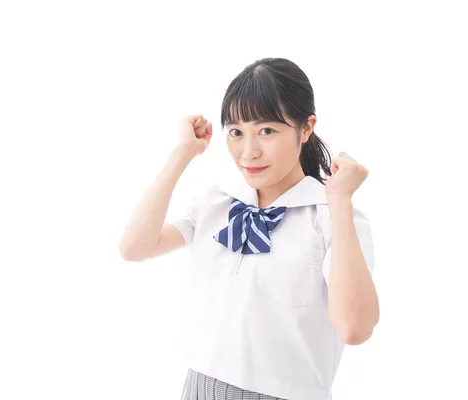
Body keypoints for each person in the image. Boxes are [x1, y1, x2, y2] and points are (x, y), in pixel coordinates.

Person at [119, 57, 379, 400]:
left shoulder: (333, 217)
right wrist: (182, 154)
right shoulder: (216, 202)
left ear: (306, 128)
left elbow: (354, 328)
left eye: (267, 131)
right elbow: (134, 247)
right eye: (237, 133)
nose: (248, 152)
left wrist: (339, 201)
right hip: (197, 389)